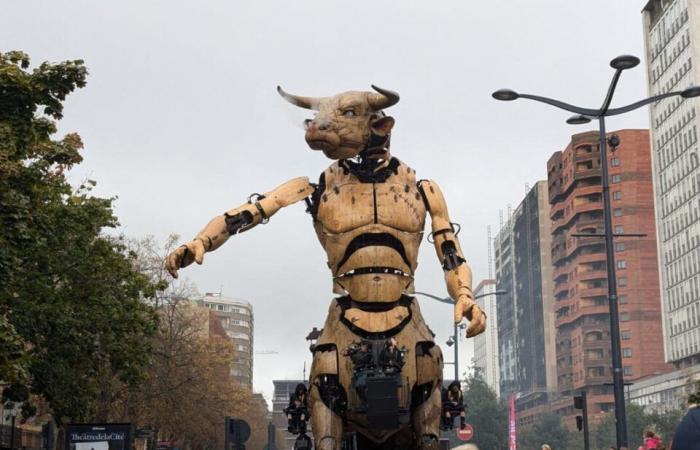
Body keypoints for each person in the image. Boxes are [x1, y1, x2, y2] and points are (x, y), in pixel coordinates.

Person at [345, 341, 375, 406]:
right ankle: (364, 402)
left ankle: (366, 403)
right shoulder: (359, 353)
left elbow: (360, 359)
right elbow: (355, 359)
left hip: (364, 372)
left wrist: (352, 354)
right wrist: (351, 353)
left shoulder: (368, 355)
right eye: (362, 346)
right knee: (358, 388)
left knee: (360, 387)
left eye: (364, 346)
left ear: (367, 347)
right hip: (358, 373)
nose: (362, 347)